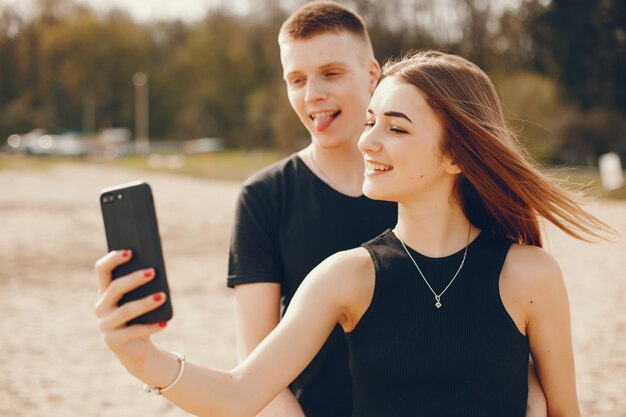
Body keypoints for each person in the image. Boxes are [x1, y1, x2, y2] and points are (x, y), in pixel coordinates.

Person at [94, 50, 611, 416]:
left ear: (456, 154)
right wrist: (141, 357)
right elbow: (239, 394)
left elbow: (564, 411)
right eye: (371, 121)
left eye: (396, 127)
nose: (368, 141)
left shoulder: (530, 275)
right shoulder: (347, 276)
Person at [226, 2, 395, 417]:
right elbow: (257, 363)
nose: (312, 94)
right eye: (296, 79)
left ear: (372, 75)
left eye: (331, 73)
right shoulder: (263, 197)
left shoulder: (427, 184)